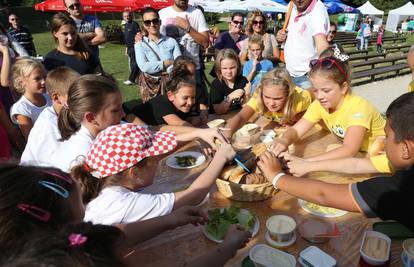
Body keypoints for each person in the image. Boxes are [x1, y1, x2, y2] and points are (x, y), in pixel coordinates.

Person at [0, 164, 251, 266]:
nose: (86, 219)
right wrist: (227, 248)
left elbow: (111, 235)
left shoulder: (68, 241)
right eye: (80, 215)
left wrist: (168, 220)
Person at [258, 92, 414, 231]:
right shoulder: (401, 165)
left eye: (387, 137)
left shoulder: (400, 188)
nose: (384, 143)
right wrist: (307, 165)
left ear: (406, 148)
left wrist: (276, 177)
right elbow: (356, 164)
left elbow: (323, 195)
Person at [72, 123, 234, 224]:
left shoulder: (102, 177)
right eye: (155, 159)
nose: (159, 160)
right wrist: (220, 158)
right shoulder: (122, 204)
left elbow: (147, 158)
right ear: (134, 173)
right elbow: (192, 197)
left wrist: (197, 133)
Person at [271, 51, 386, 162]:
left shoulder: (358, 108)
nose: (320, 96)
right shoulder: (319, 105)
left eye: (326, 91)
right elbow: (296, 130)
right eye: (315, 90)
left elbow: (349, 150)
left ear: (344, 87)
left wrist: (307, 162)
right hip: (360, 153)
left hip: (381, 154)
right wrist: (284, 141)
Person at [47, 75, 123, 173]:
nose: (123, 114)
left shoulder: (95, 137)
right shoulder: (89, 157)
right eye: (115, 110)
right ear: (91, 118)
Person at [159, 0, 210, 126]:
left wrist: (187, 28)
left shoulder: (196, 13)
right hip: (171, 70)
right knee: (173, 105)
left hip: (193, 69)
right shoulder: (162, 13)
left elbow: (205, 43)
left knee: (196, 106)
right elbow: (155, 38)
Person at [20, 67, 80, 166]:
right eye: (75, 97)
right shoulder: (48, 128)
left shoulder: (68, 114)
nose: (82, 100)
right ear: (56, 97)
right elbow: (55, 165)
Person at [225, 68, 311, 135]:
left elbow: (316, 98)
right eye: (267, 97)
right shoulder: (258, 96)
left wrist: (301, 119)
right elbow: (241, 117)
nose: (271, 103)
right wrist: (225, 136)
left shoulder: (301, 100)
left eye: (277, 99)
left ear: (288, 95)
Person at [276, 0, 329, 89]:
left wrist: (328, 66)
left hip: (306, 76)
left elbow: (321, 42)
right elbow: (296, 34)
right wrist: (282, 36)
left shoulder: (317, 9)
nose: (298, 0)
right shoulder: (291, 5)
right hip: (288, 73)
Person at [135, 8, 182, 102]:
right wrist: (165, 63)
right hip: (151, 87)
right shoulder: (140, 44)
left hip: (171, 84)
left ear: (160, 22)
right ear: (144, 25)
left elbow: (179, 63)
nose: (152, 24)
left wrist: (167, 67)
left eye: (155, 21)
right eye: (148, 22)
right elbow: (144, 67)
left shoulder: (171, 41)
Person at [126, 68, 197, 126]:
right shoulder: (163, 104)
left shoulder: (184, 106)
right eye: (185, 98)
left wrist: (192, 119)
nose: (190, 102)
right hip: (127, 115)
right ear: (171, 96)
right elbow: (180, 125)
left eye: (193, 97)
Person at [10, 57, 50, 140]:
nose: (43, 81)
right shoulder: (22, 108)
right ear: (22, 82)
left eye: (45, 77)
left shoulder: (49, 96)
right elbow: (31, 139)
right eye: (37, 78)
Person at [63, 0, 106, 64]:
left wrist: (80, 43)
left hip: (94, 62)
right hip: (75, 63)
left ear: (81, 5)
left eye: (77, 4)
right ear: (67, 9)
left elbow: (102, 37)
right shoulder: (65, 22)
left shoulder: (92, 19)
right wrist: (91, 34)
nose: (75, 7)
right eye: (71, 6)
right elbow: (68, 40)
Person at [209, 49, 249, 115]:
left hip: (238, 116)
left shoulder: (243, 80)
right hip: (219, 119)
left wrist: (247, 95)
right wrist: (230, 97)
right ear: (219, 68)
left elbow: (245, 106)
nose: (229, 72)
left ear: (238, 66)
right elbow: (218, 111)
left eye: (232, 67)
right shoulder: (216, 84)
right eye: (224, 68)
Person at [122, 11, 141, 86]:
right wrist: (126, 48)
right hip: (129, 48)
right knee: (131, 64)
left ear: (131, 16)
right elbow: (127, 37)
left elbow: (139, 34)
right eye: (125, 16)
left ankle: (131, 79)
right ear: (123, 17)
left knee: (134, 64)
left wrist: (137, 45)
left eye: (128, 16)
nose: (127, 17)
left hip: (134, 47)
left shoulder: (134, 24)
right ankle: (137, 78)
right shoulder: (126, 25)